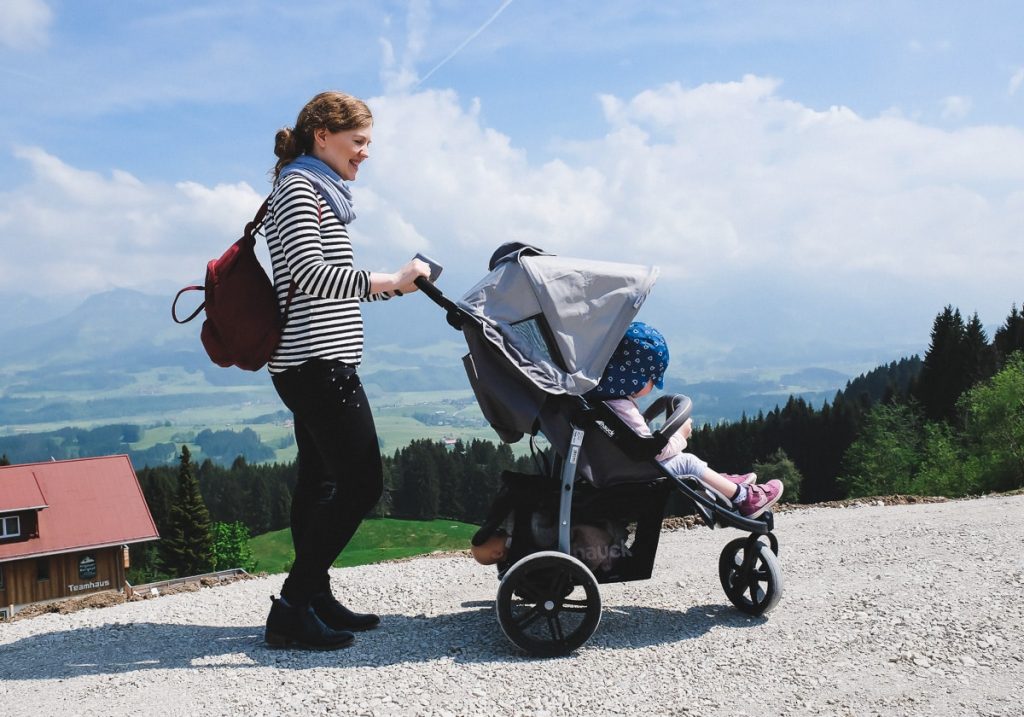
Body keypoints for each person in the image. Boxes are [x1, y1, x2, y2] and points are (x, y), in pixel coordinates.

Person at [262, 91, 431, 650]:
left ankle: (313, 597)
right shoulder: (299, 189)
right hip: (315, 366)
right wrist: (388, 278)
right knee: (362, 484)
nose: (365, 154)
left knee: (321, 483)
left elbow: (329, 287)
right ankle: (291, 606)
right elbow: (312, 274)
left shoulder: (313, 189)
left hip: (314, 361)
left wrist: (400, 287)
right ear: (322, 136)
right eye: (358, 142)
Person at [591, 322, 783, 518]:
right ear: (634, 376)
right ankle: (745, 498)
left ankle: (719, 484)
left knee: (686, 463)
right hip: (627, 471)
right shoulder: (619, 406)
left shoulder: (598, 399)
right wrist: (680, 435)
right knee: (688, 463)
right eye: (651, 379)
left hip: (609, 467)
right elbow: (652, 450)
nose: (653, 386)